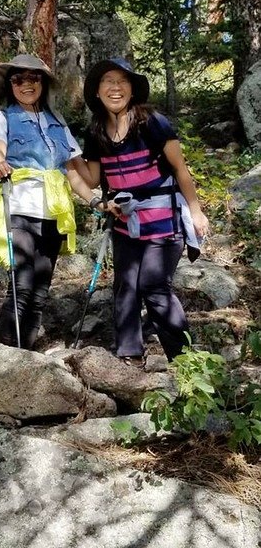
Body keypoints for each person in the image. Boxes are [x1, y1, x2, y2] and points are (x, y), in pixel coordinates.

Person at [79, 57, 209, 365]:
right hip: (125, 224)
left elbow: (180, 168)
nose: (115, 87)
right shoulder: (96, 130)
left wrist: (196, 211)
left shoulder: (151, 122)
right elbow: (93, 179)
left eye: (122, 81)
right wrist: (68, 160)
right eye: (108, 81)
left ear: (132, 89)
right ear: (97, 91)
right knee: (125, 286)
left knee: (153, 285)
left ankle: (185, 361)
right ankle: (130, 355)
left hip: (164, 224)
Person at [0, 54, 97, 350]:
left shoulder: (58, 123)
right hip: (18, 209)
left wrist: (96, 201)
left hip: (53, 215)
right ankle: (8, 359)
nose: (26, 84)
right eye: (18, 79)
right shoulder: (3, 117)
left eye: (34, 78)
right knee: (21, 288)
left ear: (43, 83)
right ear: (10, 85)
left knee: (40, 293)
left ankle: (27, 358)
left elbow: (73, 171)